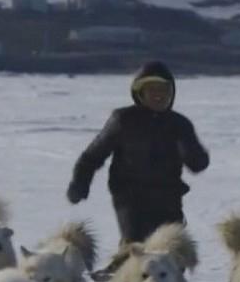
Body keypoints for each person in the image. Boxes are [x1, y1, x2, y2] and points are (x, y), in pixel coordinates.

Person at [66, 60, 210, 251]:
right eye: (152, 90)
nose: (158, 95)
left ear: (171, 93)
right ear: (140, 93)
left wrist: (190, 151)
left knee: (171, 254)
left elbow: (198, 164)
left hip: (168, 200)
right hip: (130, 199)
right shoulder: (123, 120)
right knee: (136, 249)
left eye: (163, 90)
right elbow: (92, 156)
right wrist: (80, 184)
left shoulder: (179, 124)